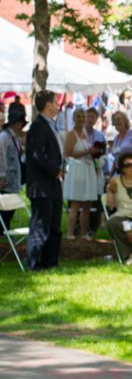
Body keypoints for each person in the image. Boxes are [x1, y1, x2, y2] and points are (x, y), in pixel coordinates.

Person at [25, 90, 65, 270]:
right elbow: (36, 155)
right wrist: (55, 170)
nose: (58, 105)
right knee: (40, 226)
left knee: (55, 226)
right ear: (48, 105)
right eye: (56, 102)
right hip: (41, 187)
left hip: (54, 185)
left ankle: (51, 262)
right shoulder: (38, 126)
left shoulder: (51, 125)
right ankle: (34, 263)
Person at [63, 107, 99, 240]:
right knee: (76, 204)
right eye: (79, 117)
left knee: (87, 205)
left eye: (83, 117)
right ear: (74, 118)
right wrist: (88, 152)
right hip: (77, 171)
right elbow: (67, 153)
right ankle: (70, 234)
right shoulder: (71, 134)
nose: (81, 120)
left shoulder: (84, 133)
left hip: (87, 169)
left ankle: (84, 233)